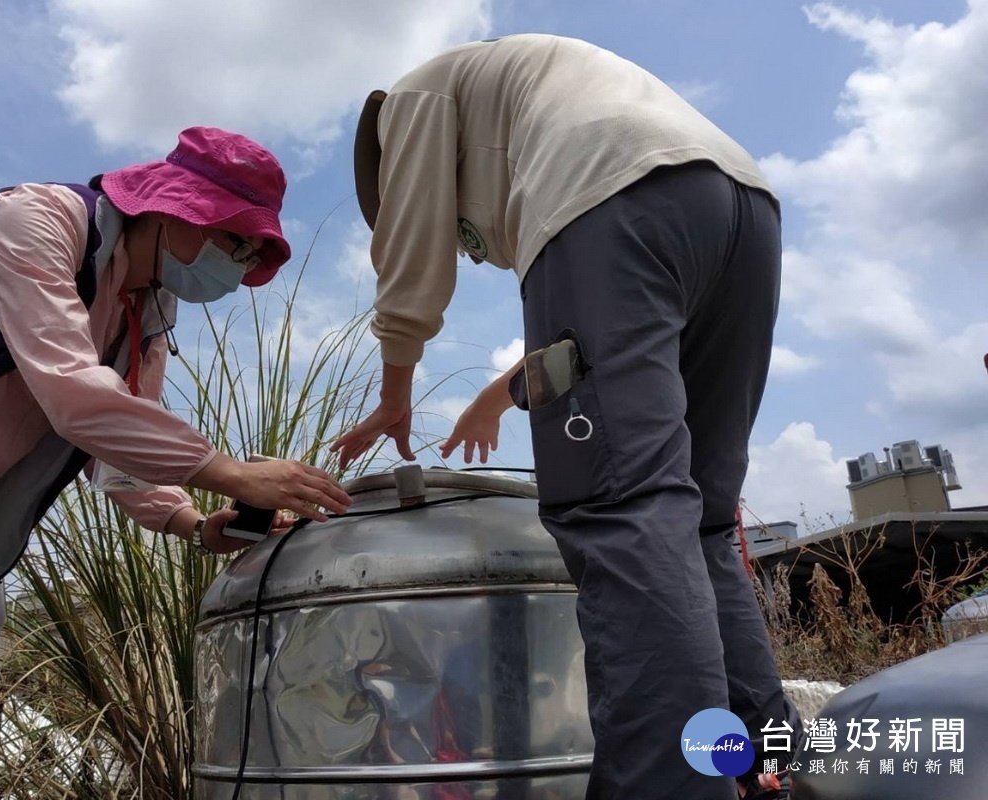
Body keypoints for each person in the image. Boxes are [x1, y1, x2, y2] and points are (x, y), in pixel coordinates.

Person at [0, 126, 352, 800]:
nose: (241, 266)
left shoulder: (148, 312)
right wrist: (229, 470)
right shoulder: (36, 217)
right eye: (237, 241)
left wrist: (191, 522)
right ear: (177, 209)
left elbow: (115, 443)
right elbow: (72, 394)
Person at [331, 35, 799, 800]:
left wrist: (394, 391)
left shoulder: (406, 102)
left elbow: (411, 255)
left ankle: (666, 784)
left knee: (624, 513)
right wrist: (498, 394)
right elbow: (611, 331)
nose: (474, 249)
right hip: (741, 210)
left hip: (611, 203)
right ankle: (766, 768)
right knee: (704, 521)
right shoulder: (523, 99)